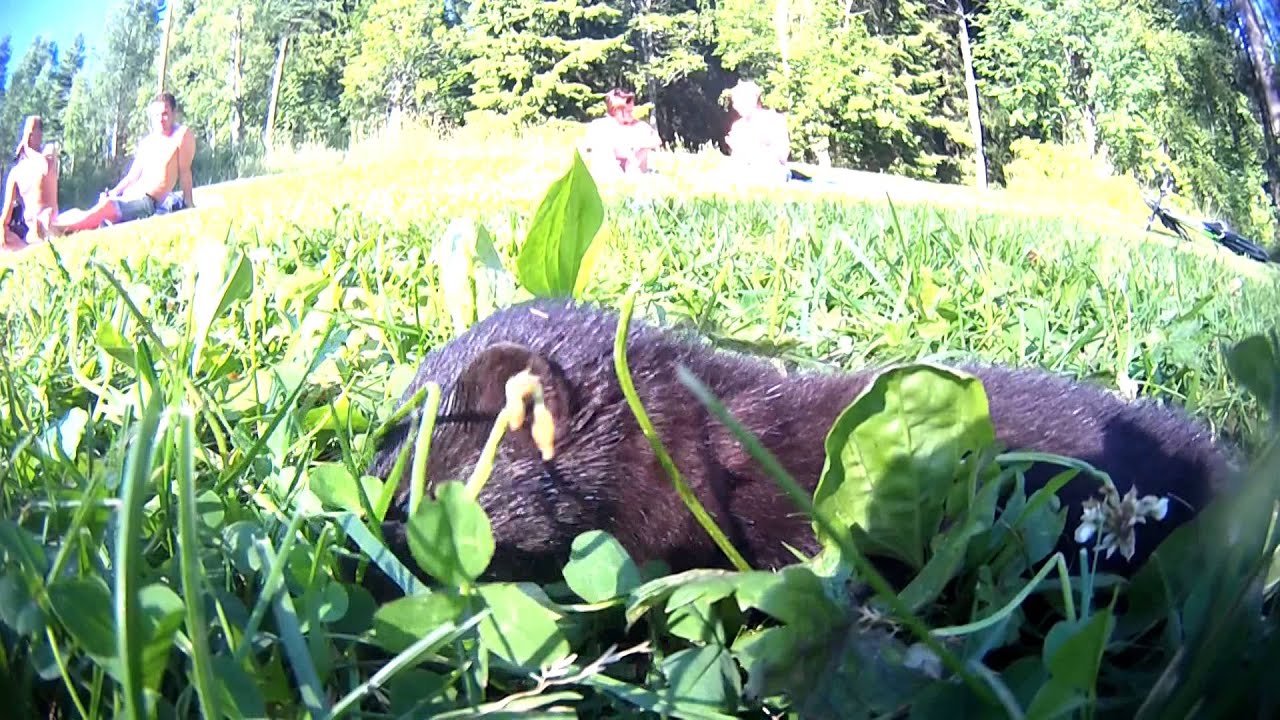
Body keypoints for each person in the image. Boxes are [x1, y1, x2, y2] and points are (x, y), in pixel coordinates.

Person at [52, 92, 195, 235]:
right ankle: (56, 224)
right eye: (156, 116)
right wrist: (113, 192)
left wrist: (189, 203)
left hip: (148, 202)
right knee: (101, 204)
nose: (160, 120)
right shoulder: (147, 143)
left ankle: (62, 229)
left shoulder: (181, 135)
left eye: (164, 114)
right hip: (131, 196)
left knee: (108, 207)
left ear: (173, 113)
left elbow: (184, 171)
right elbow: (132, 177)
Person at [2, 115, 60, 249]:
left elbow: (46, 167)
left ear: (40, 135)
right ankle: (24, 247)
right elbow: (5, 217)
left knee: (46, 220)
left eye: (32, 132)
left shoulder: (48, 153)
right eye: (27, 133)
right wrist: (3, 233)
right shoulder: (16, 172)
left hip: (49, 222)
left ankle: (40, 237)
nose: (28, 137)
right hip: (30, 231)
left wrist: (28, 150)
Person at [724, 80, 791, 184]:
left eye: (740, 100)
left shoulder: (774, 120)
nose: (736, 105)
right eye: (735, 101)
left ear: (754, 100)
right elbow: (738, 160)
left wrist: (758, 148)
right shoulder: (738, 127)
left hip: (772, 171)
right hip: (746, 172)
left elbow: (783, 156)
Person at [582, 88, 661, 177]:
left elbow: (656, 140)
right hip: (608, 174)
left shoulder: (637, 126)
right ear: (617, 110)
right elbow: (587, 149)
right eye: (629, 111)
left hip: (629, 173)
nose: (632, 114)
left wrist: (645, 144)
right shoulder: (600, 126)